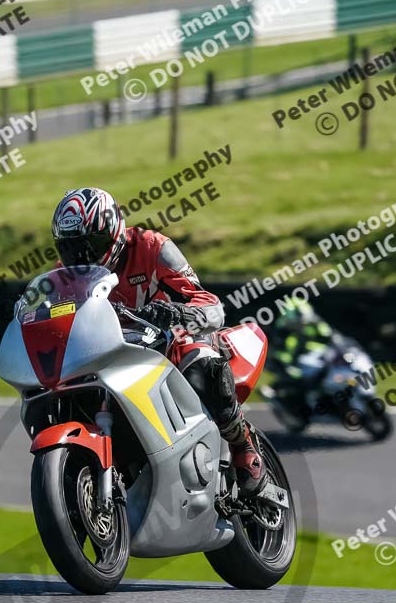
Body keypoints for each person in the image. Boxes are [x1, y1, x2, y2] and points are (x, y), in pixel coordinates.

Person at [50, 186, 266, 496]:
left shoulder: (153, 248)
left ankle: (241, 444)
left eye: (91, 244)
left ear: (113, 230)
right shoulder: (65, 277)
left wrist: (174, 311)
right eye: (71, 249)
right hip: (113, 354)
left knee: (200, 365)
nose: (82, 257)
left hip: (172, 342)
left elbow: (210, 306)